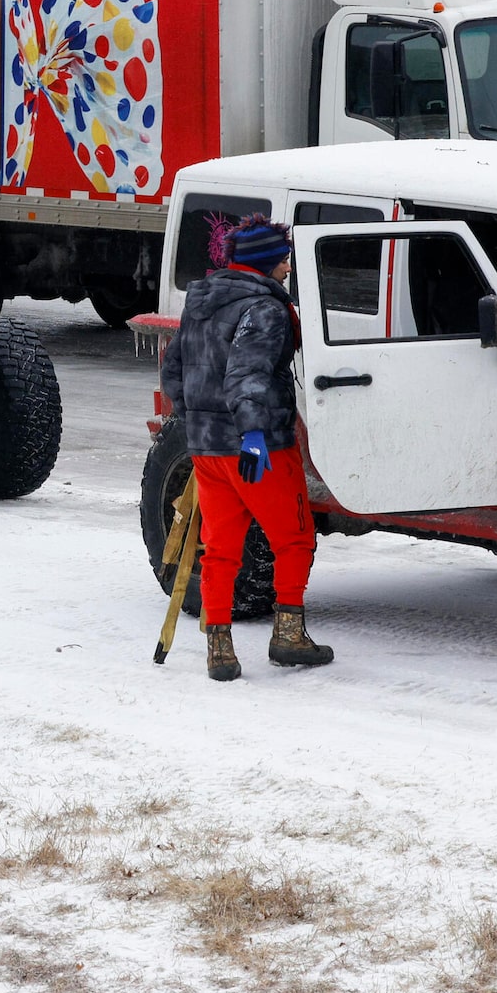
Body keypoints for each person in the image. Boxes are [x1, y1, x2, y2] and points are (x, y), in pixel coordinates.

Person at [158, 217, 333, 681]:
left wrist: (195, 418)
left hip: (206, 449)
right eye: (283, 258)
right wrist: (253, 434)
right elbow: (247, 375)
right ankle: (288, 636)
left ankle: (220, 649)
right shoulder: (266, 310)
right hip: (259, 448)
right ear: (265, 262)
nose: (287, 267)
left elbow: (173, 368)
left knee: (220, 547)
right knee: (293, 538)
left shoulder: (201, 301)